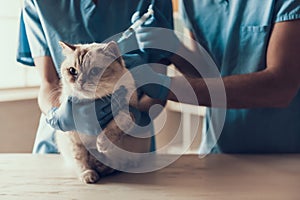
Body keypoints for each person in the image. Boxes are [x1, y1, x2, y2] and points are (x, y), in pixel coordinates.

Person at [129, 0, 300, 153]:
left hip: (283, 156)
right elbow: (206, 73)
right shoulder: (192, 3)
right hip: (219, 151)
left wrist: (167, 88)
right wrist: (174, 51)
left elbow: (280, 87)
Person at [17, 0, 174, 154]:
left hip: (127, 143)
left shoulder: (154, 3)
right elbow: (48, 81)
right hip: (65, 145)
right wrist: (59, 117)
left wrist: (132, 117)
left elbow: (157, 90)